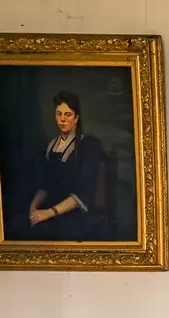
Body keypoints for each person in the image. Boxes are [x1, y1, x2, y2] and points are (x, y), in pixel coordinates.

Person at [22, 90, 109, 240]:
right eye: (59, 114)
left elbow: (84, 193)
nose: (62, 119)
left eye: (67, 115)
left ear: (76, 118)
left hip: (75, 214)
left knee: (61, 232)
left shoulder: (88, 146)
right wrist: (33, 208)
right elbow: (45, 185)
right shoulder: (50, 146)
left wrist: (49, 212)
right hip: (50, 209)